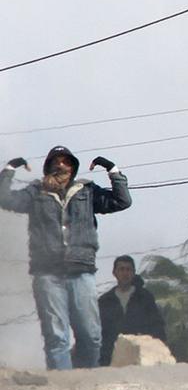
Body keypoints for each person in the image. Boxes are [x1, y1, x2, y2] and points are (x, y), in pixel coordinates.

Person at [0, 147, 131, 369]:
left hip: (81, 271)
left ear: (73, 167)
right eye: (56, 162)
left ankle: (87, 382)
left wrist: (112, 170)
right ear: (48, 168)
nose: (60, 165)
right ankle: (63, 389)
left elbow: (122, 201)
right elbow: (5, 199)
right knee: (56, 337)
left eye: (66, 162)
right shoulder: (35, 192)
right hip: (47, 273)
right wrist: (9, 169)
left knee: (90, 335)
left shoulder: (87, 191)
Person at [98, 255, 167, 366]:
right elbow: (100, 331)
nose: (125, 273)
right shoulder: (105, 301)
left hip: (141, 356)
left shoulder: (144, 297)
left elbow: (157, 325)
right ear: (114, 273)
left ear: (133, 272)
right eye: (121, 269)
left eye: (128, 269)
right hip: (111, 358)